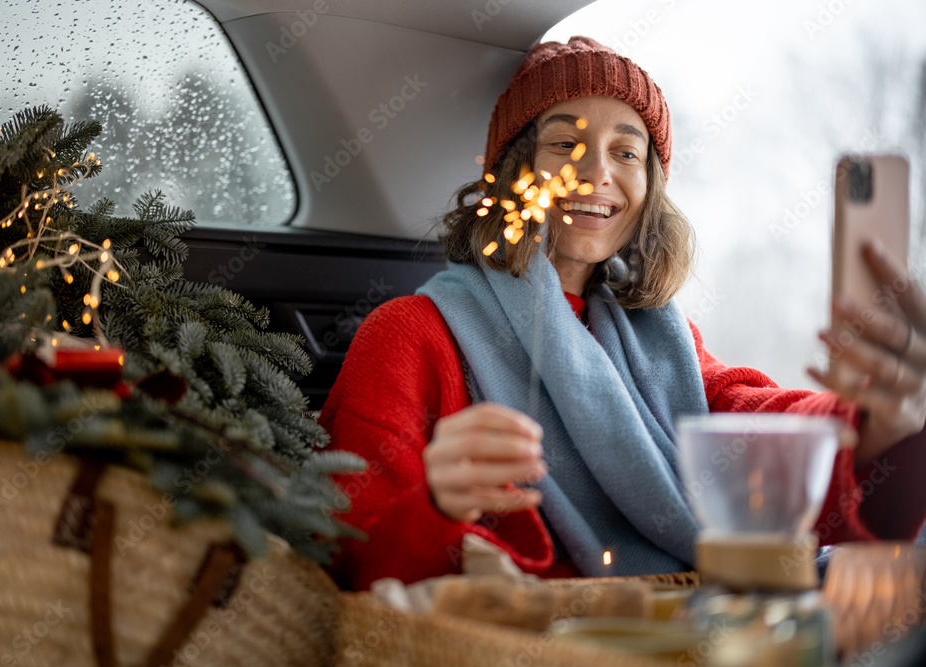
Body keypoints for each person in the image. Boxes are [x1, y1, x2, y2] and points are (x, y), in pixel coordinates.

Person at [318, 36, 926, 591]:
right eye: (564, 144)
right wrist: (437, 506)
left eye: (626, 153)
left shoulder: (663, 337)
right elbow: (347, 549)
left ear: (649, 186)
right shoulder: (411, 333)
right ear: (513, 172)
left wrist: (873, 423)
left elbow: (748, 420)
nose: (597, 172)